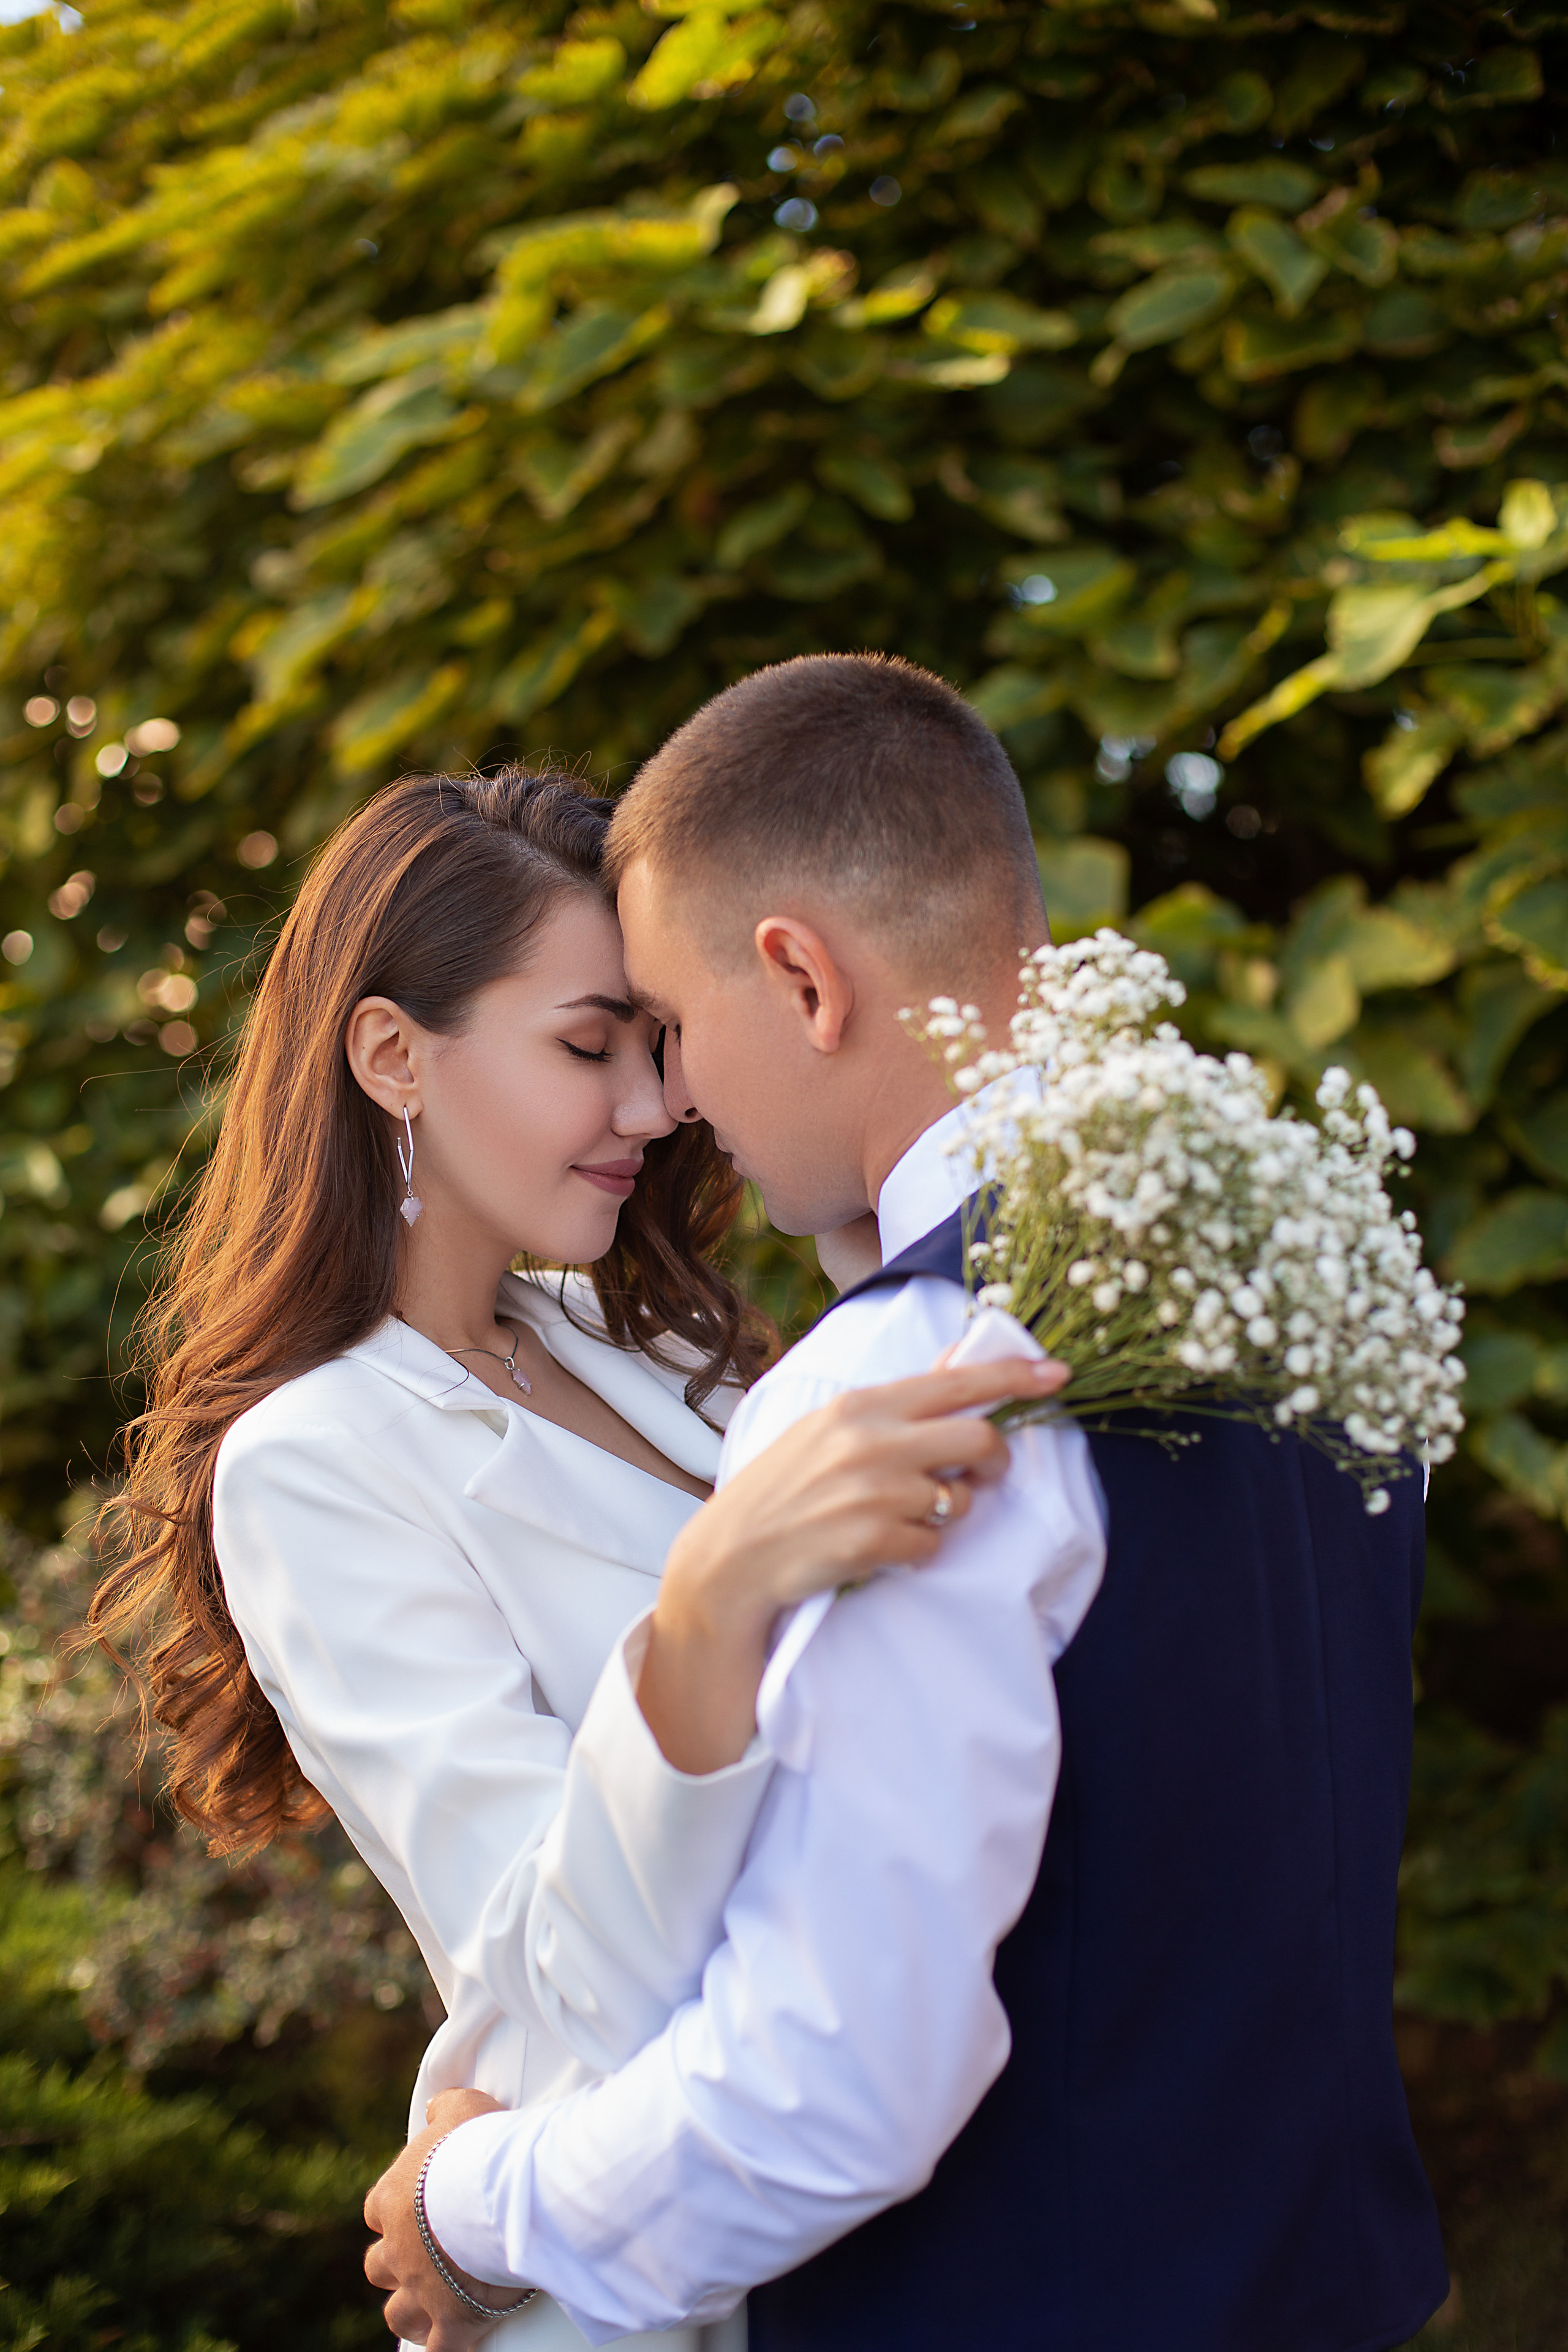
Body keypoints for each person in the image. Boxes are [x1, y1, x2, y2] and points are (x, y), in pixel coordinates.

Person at [366, 653, 1449, 2352]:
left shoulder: (914, 1380)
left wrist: (476, 2207)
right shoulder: (1289, 1288)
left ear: (799, 978)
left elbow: (831, 2088)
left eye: (671, 1022)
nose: (677, 1103)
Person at [88, 767, 1067, 2352]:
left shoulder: (646, 1345)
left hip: (880, 2203)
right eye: (583, 1048)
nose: (650, 1105)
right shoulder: (310, 1464)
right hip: (632, 2287)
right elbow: (548, 1980)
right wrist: (705, 1616)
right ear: (394, 1056)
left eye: (652, 1043)